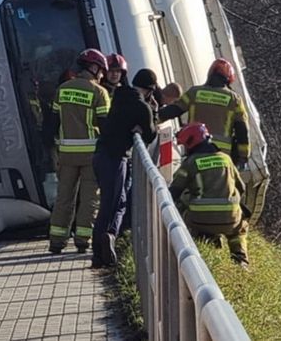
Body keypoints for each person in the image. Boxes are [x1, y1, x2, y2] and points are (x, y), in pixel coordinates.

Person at [92, 68, 158, 268]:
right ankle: (104, 244)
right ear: (149, 90)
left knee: (113, 200)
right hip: (116, 158)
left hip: (100, 154)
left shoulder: (119, 96)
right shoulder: (141, 106)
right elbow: (150, 134)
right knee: (113, 203)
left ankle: (104, 246)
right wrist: (152, 111)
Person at [49, 49, 111, 254]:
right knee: (89, 198)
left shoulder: (63, 89)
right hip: (91, 155)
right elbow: (106, 125)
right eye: (101, 71)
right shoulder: (99, 92)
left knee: (64, 197)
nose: (102, 75)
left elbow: (53, 122)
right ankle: (83, 240)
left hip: (66, 154)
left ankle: (57, 240)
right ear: (93, 68)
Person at [169, 123, 250, 269]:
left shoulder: (190, 163)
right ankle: (240, 260)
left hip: (199, 220)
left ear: (191, 143)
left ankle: (207, 239)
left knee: (183, 203)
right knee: (240, 227)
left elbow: (174, 191)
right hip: (230, 220)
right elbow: (241, 188)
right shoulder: (226, 159)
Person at [158, 59, 250, 167]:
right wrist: (243, 156)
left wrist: (152, 118)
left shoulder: (194, 93)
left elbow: (173, 110)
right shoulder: (235, 100)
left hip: (195, 150)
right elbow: (242, 130)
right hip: (222, 156)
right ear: (228, 79)